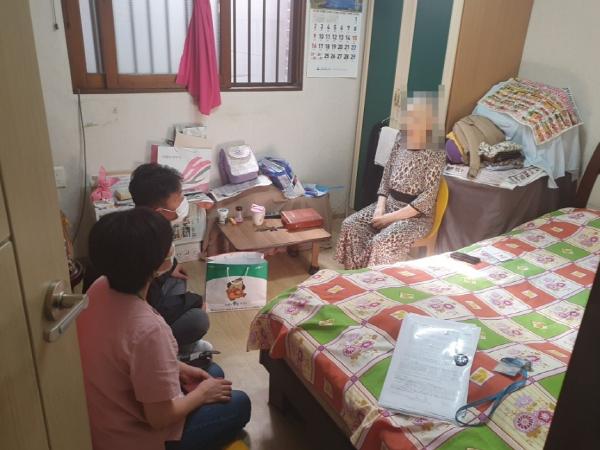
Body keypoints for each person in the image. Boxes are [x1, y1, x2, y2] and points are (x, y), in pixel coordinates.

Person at [78, 208, 251, 450]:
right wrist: (202, 395)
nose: (172, 249)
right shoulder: (150, 330)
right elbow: (160, 418)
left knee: (213, 372)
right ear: (158, 263)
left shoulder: (100, 286)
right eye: (168, 245)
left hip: (102, 417)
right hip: (133, 438)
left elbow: (124, 356)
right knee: (240, 403)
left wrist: (179, 368)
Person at [84, 163, 210, 357]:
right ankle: (178, 351)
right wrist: (195, 301)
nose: (183, 203)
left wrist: (171, 267)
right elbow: (145, 303)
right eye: (179, 199)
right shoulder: (142, 245)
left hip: (132, 302)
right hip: (131, 315)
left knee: (178, 281)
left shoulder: (137, 226)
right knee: (198, 319)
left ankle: (181, 341)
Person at [336, 94, 446, 269]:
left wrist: (388, 218)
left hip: (415, 217)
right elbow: (386, 175)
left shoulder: (436, 151)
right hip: (389, 205)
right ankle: (355, 273)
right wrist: (380, 209)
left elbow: (427, 199)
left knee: (381, 241)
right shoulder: (401, 138)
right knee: (351, 225)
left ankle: (375, 279)